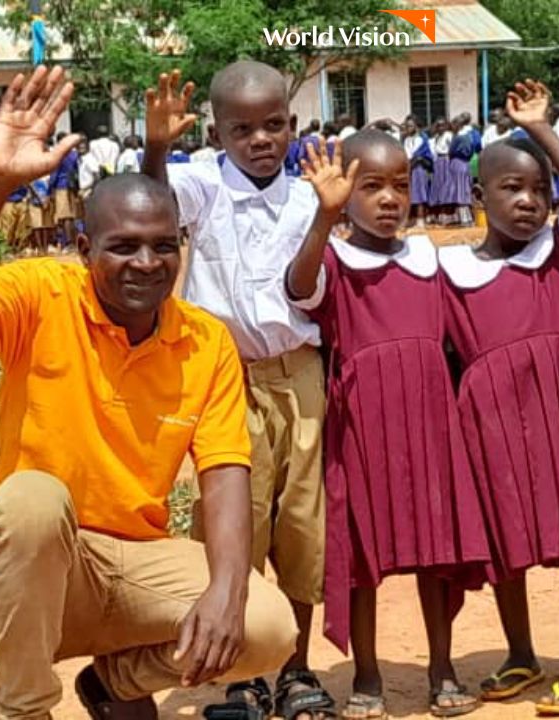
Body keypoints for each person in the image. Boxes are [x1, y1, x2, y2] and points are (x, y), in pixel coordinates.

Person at [0, 65, 297, 720]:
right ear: (85, 249)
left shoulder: (204, 341)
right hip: (36, 574)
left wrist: (228, 588)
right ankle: (28, 709)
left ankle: (118, 681)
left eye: (162, 246)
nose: (147, 263)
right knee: (31, 497)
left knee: (266, 627)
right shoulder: (41, 296)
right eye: (123, 247)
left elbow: (225, 471)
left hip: (139, 562)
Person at [143, 64, 336, 719]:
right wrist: (157, 146)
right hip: (226, 378)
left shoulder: (310, 197)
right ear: (217, 132)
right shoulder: (200, 185)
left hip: (300, 371)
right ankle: (244, 672)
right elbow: (154, 207)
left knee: (304, 523)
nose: (260, 139)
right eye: (243, 128)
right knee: (238, 525)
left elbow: (308, 289)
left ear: (293, 123)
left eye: (273, 124)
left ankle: (298, 665)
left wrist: (326, 215)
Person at [287, 131, 489, 719]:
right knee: (364, 559)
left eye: (399, 186)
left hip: (429, 428)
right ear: (345, 194)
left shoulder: (430, 258)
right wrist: (323, 220)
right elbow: (300, 290)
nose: (387, 199)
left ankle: (442, 668)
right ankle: (368, 673)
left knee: (437, 551)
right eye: (369, 187)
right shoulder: (333, 261)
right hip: (364, 433)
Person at [439, 80, 559, 716]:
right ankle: (520, 652)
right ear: (479, 197)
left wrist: (541, 130)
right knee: (506, 536)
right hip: (493, 426)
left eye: (539, 190)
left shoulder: (555, 256)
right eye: (512, 189)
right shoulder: (449, 272)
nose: (530, 203)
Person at [48, 131, 80, 247]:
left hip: (61, 186)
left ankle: (68, 242)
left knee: (64, 215)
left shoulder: (58, 155)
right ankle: (74, 240)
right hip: (72, 186)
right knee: (72, 216)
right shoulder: (74, 154)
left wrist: (50, 189)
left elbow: (54, 173)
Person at [403, 115, 433, 228]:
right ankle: (410, 219)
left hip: (418, 169)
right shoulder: (406, 140)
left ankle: (420, 219)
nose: (408, 128)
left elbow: (420, 155)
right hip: (408, 168)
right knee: (409, 193)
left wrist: (413, 162)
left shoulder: (421, 139)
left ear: (416, 126)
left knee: (419, 193)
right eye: (407, 126)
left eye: (410, 126)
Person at [428, 118, 453, 224]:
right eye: (438, 126)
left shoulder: (448, 135)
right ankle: (437, 214)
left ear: (446, 126)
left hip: (445, 161)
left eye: (442, 125)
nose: (440, 128)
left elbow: (451, 149)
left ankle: (446, 214)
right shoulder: (436, 137)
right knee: (437, 186)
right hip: (437, 161)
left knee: (445, 186)